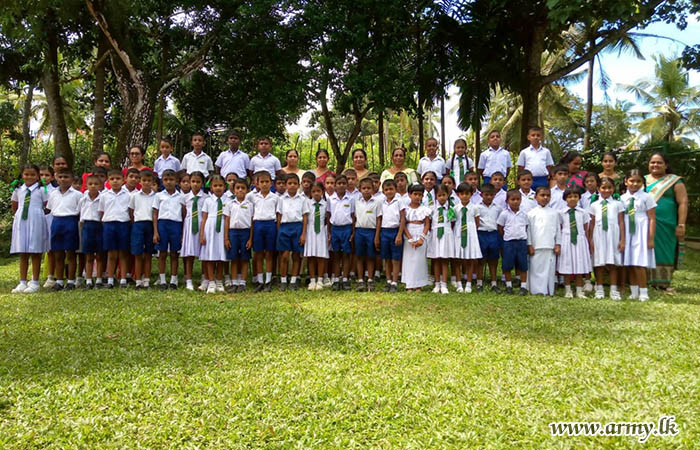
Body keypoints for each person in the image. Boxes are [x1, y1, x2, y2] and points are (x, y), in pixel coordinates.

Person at [645, 152, 688, 292]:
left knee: (664, 250)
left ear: (666, 165)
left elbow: (683, 202)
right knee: (646, 249)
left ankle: (663, 282)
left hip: (666, 224)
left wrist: (681, 224)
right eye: (653, 162)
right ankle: (645, 280)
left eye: (659, 162)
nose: (655, 165)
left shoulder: (674, 181)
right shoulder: (642, 180)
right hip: (644, 223)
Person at [10, 165, 48, 293]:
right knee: (23, 251)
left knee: (35, 251)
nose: (29, 177)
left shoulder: (42, 190)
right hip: (22, 221)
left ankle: (35, 282)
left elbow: (47, 206)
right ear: (22, 175)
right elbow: (14, 205)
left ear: (38, 176)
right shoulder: (18, 189)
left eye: (32, 175)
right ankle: (22, 282)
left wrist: (37, 215)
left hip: (36, 220)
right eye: (26, 174)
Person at [622, 169, 656, 301]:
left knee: (639, 262)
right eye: (632, 181)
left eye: (638, 181)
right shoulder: (623, 198)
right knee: (630, 261)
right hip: (627, 230)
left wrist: (650, 237)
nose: (635, 184)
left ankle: (643, 292)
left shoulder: (646, 197)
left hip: (641, 230)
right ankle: (634, 291)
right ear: (626, 182)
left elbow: (652, 218)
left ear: (642, 183)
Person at [589, 177, 625, 300]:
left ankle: (613, 289)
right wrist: (590, 240)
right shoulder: (594, 205)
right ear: (598, 189)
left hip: (613, 235)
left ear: (613, 189)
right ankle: (599, 289)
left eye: (609, 187)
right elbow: (592, 223)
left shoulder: (618, 204)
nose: (606, 190)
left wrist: (622, 239)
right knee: (599, 262)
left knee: (612, 262)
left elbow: (621, 222)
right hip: (598, 234)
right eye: (603, 187)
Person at [46, 168, 81, 291]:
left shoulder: (77, 194)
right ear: (56, 177)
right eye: (60, 177)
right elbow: (50, 209)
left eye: (66, 177)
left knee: (71, 254)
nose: (63, 179)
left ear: (71, 179)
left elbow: (81, 211)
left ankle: (71, 281)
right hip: (57, 222)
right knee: (58, 254)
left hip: (71, 222)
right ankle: (59, 281)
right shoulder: (53, 194)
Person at [99, 169, 132, 289]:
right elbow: (102, 212)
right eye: (112, 179)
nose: (115, 181)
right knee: (111, 254)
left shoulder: (128, 195)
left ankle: (123, 279)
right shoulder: (104, 195)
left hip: (123, 224)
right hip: (109, 225)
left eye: (118, 179)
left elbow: (130, 210)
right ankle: (110, 279)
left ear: (123, 180)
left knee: (123, 253)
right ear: (108, 181)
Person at [153, 169, 186, 290]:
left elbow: (183, 214)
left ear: (176, 181)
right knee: (162, 253)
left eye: (171, 179)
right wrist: (156, 231)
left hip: (175, 225)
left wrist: (182, 232)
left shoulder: (181, 196)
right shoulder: (159, 196)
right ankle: (162, 280)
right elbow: (155, 214)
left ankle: (173, 279)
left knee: (174, 253)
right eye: (166, 180)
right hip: (162, 225)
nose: (168, 182)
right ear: (162, 181)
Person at [276, 173, 309, 291]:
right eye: (290, 183)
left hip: (297, 227)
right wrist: (279, 231)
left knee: (296, 255)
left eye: (295, 183)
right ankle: (283, 280)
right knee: (284, 256)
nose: (292, 186)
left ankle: (294, 280)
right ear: (285, 185)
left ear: (299, 185)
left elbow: (305, 217)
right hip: (284, 227)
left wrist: (303, 233)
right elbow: (279, 216)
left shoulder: (302, 199)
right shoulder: (281, 199)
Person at [557, 189, 592, 299]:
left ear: (579, 198)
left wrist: (587, 242)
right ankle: (568, 290)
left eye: (575, 196)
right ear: (565, 199)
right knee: (567, 265)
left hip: (580, 240)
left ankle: (579, 290)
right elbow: (559, 228)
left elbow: (586, 229)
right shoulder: (561, 213)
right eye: (570, 197)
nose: (572, 199)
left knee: (579, 265)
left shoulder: (583, 212)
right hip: (566, 240)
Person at [527, 186, 562, 296]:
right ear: (535, 197)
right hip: (536, 246)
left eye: (548, 195)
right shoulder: (531, 213)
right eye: (542, 195)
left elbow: (557, 229)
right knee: (535, 269)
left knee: (549, 270)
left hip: (550, 245)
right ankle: (536, 290)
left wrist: (557, 244)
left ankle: (548, 290)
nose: (545, 198)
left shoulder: (554, 213)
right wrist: (529, 244)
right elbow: (528, 231)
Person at [497, 189, 530, 295]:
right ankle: (509, 286)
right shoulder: (504, 214)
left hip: (521, 242)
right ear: (507, 201)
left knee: (523, 265)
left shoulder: (524, 214)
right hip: (509, 243)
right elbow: (500, 228)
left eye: (518, 199)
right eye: (512, 199)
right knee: (507, 265)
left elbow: (527, 227)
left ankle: (523, 286)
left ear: (521, 200)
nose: (515, 201)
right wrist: (506, 237)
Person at [224, 179, 254, 292]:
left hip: (245, 233)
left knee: (245, 258)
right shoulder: (230, 204)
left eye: (243, 188)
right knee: (234, 258)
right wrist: (226, 238)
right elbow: (227, 221)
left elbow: (252, 223)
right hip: (233, 233)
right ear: (233, 190)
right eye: (238, 188)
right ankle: (234, 282)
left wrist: (250, 239)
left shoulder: (250, 205)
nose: (240, 190)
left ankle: (243, 282)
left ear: (247, 190)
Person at [199, 175, 228, 294]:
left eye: (220, 185)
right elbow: (204, 218)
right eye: (215, 186)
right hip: (210, 228)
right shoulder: (208, 200)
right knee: (210, 256)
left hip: (222, 228)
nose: (218, 188)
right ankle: (211, 281)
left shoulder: (228, 200)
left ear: (224, 187)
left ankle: (219, 281)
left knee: (221, 256)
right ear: (210, 187)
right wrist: (202, 234)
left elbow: (228, 218)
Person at [251, 171, 278, 292]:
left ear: (271, 183)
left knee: (269, 254)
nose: (264, 184)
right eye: (262, 182)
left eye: (267, 181)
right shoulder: (252, 197)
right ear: (257, 183)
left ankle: (268, 281)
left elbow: (278, 214)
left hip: (270, 224)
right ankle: (260, 281)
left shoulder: (275, 197)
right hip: (258, 225)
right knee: (259, 254)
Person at [128, 170, 156, 289]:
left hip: (150, 225)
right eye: (144, 180)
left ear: (152, 182)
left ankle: (147, 281)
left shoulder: (156, 196)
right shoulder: (135, 196)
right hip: (138, 225)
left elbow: (156, 213)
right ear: (140, 181)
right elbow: (131, 212)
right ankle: (138, 281)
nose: (146, 183)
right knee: (138, 254)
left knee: (148, 254)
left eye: (149, 181)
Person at [453, 182, 482, 293]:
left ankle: (469, 283)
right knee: (457, 259)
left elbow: (477, 223)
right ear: (458, 195)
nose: (464, 196)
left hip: (470, 234)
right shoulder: (455, 209)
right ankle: (459, 283)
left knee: (470, 259)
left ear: (471, 194)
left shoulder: (475, 208)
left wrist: (471, 231)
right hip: (458, 234)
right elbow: (453, 221)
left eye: (467, 193)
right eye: (462, 194)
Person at [401, 183, 431, 292]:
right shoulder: (405, 209)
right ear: (409, 195)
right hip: (409, 233)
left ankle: (419, 284)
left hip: (421, 232)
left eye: (420, 195)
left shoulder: (424, 209)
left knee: (419, 260)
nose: (417, 197)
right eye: (415, 194)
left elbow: (427, 224)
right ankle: (409, 284)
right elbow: (403, 224)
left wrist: (422, 238)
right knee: (409, 259)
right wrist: (409, 238)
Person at [328, 174, 355, 291]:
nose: (341, 185)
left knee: (346, 254)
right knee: (336, 254)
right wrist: (329, 232)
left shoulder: (351, 199)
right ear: (335, 185)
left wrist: (353, 232)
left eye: (343, 183)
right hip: (335, 229)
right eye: (339, 183)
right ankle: (336, 278)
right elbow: (328, 216)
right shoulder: (330, 199)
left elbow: (354, 216)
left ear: (347, 185)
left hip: (347, 228)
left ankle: (345, 278)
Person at [180, 171, 207, 291]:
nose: (195, 184)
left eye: (198, 182)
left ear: (202, 183)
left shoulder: (206, 198)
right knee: (189, 255)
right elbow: (183, 214)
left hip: (202, 227)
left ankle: (204, 279)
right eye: (193, 181)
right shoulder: (185, 198)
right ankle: (189, 280)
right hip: (189, 227)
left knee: (204, 254)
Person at [353, 177, 381, 292]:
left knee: (371, 256)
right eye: (364, 188)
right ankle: (360, 280)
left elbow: (379, 219)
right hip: (359, 231)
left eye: (369, 188)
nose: (366, 190)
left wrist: (377, 235)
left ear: (373, 189)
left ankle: (370, 279)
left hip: (371, 231)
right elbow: (354, 218)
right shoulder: (357, 202)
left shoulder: (377, 202)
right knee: (359, 256)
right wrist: (353, 233)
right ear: (359, 189)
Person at [377, 179, 404, 292]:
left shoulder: (399, 201)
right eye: (386, 190)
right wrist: (377, 235)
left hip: (395, 231)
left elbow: (403, 218)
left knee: (395, 258)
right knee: (386, 258)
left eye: (391, 189)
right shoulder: (381, 202)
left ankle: (394, 281)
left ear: (395, 189)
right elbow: (379, 219)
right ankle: (388, 281)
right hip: (384, 232)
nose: (389, 192)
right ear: (383, 191)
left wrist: (399, 234)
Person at [427, 184, 454, 294]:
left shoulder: (451, 208)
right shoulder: (431, 208)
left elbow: (453, 223)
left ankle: (444, 284)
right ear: (435, 196)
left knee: (444, 260)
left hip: (446, 235)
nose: (442, 197)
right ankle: (437, 283)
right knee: (436, 259)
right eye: (439, 195)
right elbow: (428, 223)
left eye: (444, 195)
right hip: (435, 234)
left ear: (448, 195)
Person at [476, 183, 502, 292]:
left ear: (494, 195)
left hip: (493, 234)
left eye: (491, 195)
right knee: (481, 260)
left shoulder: (498, 208)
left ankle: (494, 283)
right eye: (486, 195)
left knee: (493, 259)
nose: (489, 197)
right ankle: (479, 283)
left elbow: (500, 223)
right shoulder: (477, 207)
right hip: (482, 234)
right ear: (481, 195)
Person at [304, 182, 330, 291]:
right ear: (310, 193)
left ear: (322, 192)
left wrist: (329, 233)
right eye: (313, 191)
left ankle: (320, 280)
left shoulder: (326, 204)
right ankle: (312, 280)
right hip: (310, 231)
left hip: (321, 232)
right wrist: (303, 234)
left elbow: (328, 220)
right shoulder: (307, 203)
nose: (316, 193)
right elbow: (305, 219)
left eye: (318, 191)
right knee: (311, 256)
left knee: (321, 256)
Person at [79, 174, 103, 289]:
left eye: (96, 184)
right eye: (90, 184)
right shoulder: (83, 198)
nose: (93, 186)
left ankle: (98, 279)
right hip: (87, 226)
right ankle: (88, 280)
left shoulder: (102, 198)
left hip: (99, 226)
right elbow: (79, 211)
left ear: (100, 185)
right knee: (88, 255)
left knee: (99, 255)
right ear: (86, 185)